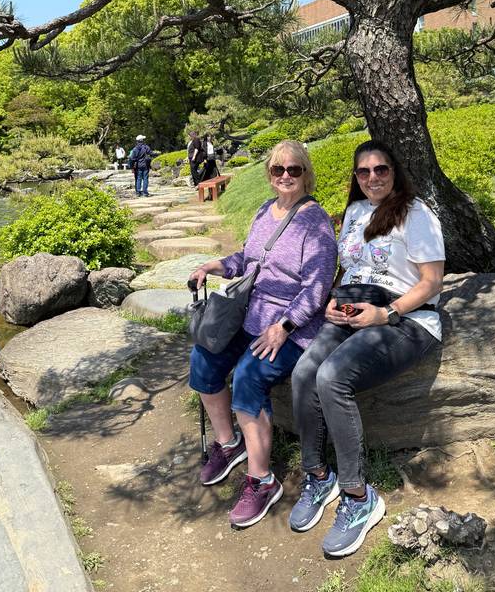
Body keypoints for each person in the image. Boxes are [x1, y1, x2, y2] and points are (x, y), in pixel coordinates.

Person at [289, 139, 445, 558]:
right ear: (356, 178)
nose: (373, 177)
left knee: (332, 376)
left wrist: (386, 314)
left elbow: (431, 283)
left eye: (381, 169)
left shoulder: (417, 214)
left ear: (394, 172)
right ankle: (318, 474)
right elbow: (350, 265)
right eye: (364, 172)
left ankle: (358, 496)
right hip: (351, 309)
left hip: (406, 319)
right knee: (304, 372)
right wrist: (332, 302)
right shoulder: (356, 212)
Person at [187, 140, 337, 528]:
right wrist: (215, 265)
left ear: (306, 173)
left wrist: (284, 326)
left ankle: (261, 480)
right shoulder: (262, 212)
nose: (286, 176)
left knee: (250, 378)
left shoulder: (316, 221)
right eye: (278, 170)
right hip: (251, 314)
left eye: (294, 170)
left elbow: (317, 288)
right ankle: (229, 442)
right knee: (203, 358)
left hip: (293, 325)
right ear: (269, 175)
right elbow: (248, 261)